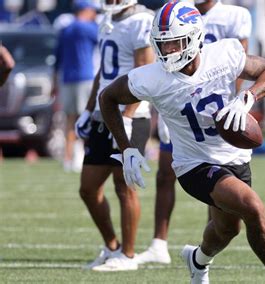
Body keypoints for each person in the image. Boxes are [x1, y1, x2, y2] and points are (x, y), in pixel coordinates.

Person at [99, 2, 265, 283]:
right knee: (253, 207)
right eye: (162, 45)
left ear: (194, 38)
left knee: (227, 229)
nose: (168, 52)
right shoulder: (151, 77)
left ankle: (197, 260)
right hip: (194, 165)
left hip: (234, 156)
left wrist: (248, 97)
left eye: (174, 44)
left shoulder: (224, 54)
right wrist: (126, 146)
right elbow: (108, 98)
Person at [136, 0, 252, 265]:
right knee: (166, 174)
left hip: (218, 106)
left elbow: (240, 65)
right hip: (180, 103)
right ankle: (159, 243)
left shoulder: (235, 16)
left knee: (220, 186)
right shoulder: (173, 11)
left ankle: (210, 244)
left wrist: (237, 102)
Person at [74, 0, 155, 271]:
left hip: (131, 115)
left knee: (124, 186)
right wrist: (87, 110)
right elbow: (102, 72)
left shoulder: (142, 20)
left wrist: (129, 116)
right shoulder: (106, 20)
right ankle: (112, 247)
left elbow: (145, 70)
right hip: (102, 113)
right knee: (88, 188)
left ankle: (128, 255)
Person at [53, 1, 98, 173]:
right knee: (85, 118)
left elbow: (57, 59)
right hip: (84, 78)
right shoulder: (87, 28)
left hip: (67, 79)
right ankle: (81, 155)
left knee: (70, 120)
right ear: (86, 10)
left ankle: (68, 157)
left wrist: (53, 81)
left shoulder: (66, 29)